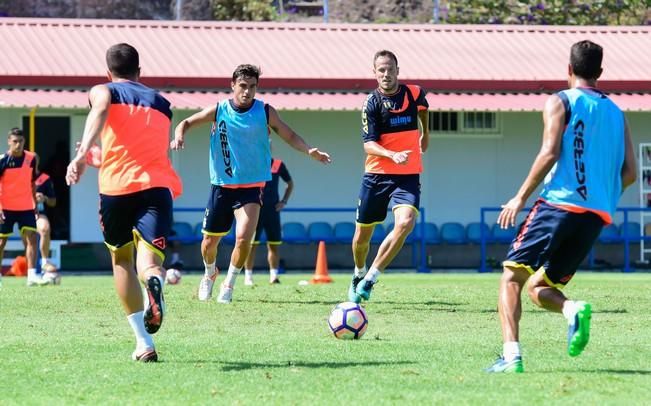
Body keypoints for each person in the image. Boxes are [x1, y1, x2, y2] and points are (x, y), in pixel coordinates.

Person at [486, 40, 637, 373]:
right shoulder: (617, 112)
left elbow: (549, 152)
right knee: (540, 287)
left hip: (558, 205)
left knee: (511, 277)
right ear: (600, 72)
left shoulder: (560, 101)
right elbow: (629, 173)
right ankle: (572, 310)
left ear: (568, 69)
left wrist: (519, 197)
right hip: (596, 215)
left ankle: (511, 358)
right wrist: (604, 197)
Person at [171, 64, 330, 304]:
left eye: (252, 87)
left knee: (244, 238)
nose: (247, 92)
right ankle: (210, 273)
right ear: (232, 85)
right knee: (208, 243)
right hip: (222, 187)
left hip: (252, 188)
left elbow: (289, 135)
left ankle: (229, 284)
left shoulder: (265, 112)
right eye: (243, 86)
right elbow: (186, 123)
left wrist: (310, 151)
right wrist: (179, 135)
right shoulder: (219, 110)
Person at [66, 43, 183, 363]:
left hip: (117, 190)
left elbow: (100, 109)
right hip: (157, 189)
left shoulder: (103, 90)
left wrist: (80, 155)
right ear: (140, 72)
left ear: (108, 73)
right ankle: (155, 282)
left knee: (122, 261)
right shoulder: (162, 103)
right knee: (149, 265)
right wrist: (96, 156)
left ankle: (144, 343)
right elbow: (140, 152)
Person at [348, 50, 429, 303]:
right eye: (381, 69)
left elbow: (424, 110)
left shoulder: (414, 93)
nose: (386, 74)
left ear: (397, 70)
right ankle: (359, 272)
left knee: (405, 223)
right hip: (376, 175)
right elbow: (368, 144)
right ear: (374, 73)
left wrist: (425, 134)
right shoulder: (371, 103)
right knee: (362, 239)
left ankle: (371, 277)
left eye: (390, 69)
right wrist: (391, 155)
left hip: (407, 176)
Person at [0, 128, 42, 286]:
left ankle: (32, 276)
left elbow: (32, 183)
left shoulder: (31, 158)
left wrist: (35, 204)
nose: (18, 145)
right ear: (9, 142)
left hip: (26, 207)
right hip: (6, 208)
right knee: (1, 242)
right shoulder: (2, 160)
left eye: (21, 141)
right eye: (15, 142)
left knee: (32, 238)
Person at [243, 156, 294, 285]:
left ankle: (274, 276)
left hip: (272, 211)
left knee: (273, 245)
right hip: (255, 210)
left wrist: (283, 201)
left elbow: (290, 184)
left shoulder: (278, 164)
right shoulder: (252, 162)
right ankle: (248, 277)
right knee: (251, 245)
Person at [35, 169, 57, 270]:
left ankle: (44, 262)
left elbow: (53, 202)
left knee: (45, 228)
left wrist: (44, 198)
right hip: (18, 211)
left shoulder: (44, 179)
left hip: (37, 214)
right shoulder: (17, 175)